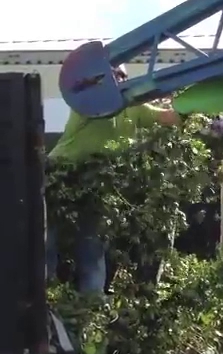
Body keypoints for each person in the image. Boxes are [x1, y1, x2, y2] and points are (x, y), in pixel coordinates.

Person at [46, 65, 182, 296]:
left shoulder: (135, 110)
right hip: (60, 175)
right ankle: (41, 299)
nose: (115, 81)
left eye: (119, 76)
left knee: (92, 244)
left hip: (95, 184)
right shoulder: (88, 104)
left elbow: (168, 118)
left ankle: (91, 304)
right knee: (46, 240)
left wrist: (185, 100)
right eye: (108, 76)